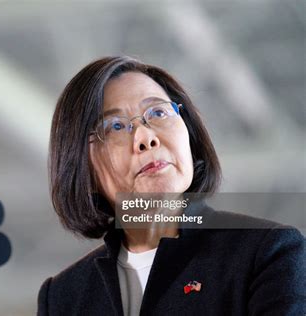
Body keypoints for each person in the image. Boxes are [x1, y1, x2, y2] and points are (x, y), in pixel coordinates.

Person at [37, 56, 305, 315]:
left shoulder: (268, 252)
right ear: (81, 167)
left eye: (158, 112)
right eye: (115, 126)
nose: (146, 137)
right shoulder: (63, 296)